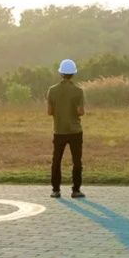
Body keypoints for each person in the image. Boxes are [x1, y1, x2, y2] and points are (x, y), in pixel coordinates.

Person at [46, 59, 86, 199]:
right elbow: (80, 111)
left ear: (61, 73)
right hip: (75, 131)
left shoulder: (52, 90)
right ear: (73, 74)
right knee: (77, 161)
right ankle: (76, 190)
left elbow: (50, 111)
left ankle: (56, 190)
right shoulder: (78, 91)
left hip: (59, 130)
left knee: (56, 160)